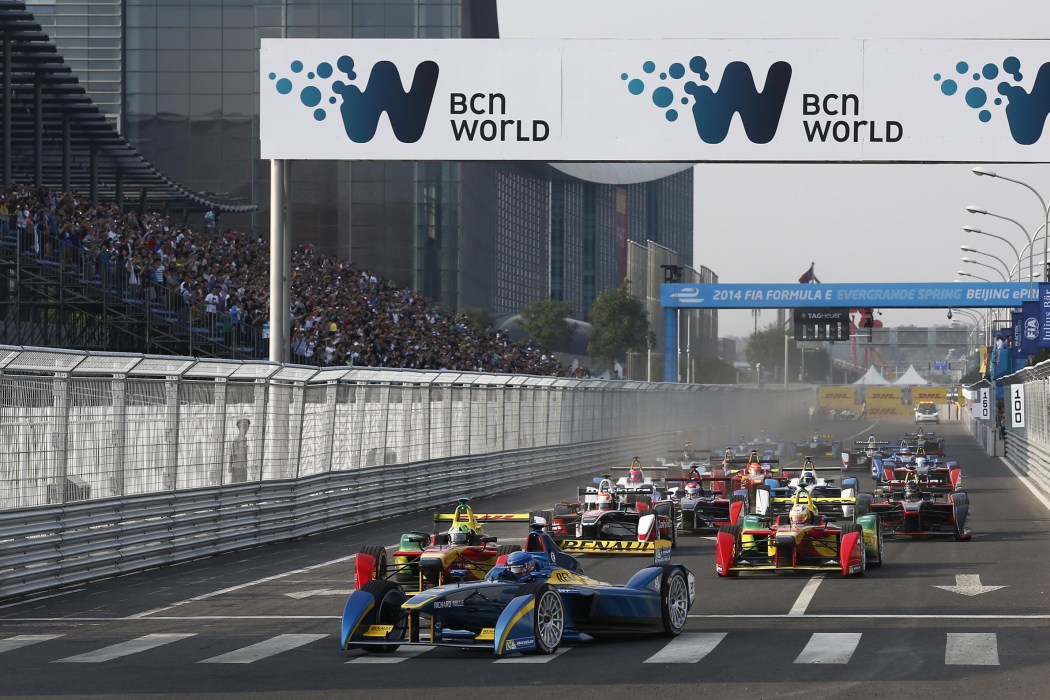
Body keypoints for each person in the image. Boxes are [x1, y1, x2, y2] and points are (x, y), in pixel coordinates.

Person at [227, 418, 250, 483]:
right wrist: (230, 465)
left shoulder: (245, 439)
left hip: (243, 468)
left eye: (247, 426)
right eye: (244, 426)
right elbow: (232, 454)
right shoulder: (236, 439)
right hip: (237, 468)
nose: (246, 429)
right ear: (239, 428)